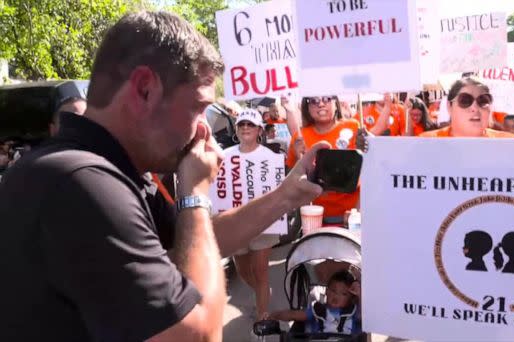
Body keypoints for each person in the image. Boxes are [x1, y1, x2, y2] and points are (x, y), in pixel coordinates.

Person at [0, 11, 326, 342]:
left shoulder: (106, 170)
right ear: (144, 90)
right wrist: (195, 194)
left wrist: (286, 196)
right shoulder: (82, 182)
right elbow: (197, 335)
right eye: (198, 108)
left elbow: (197, 242)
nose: (204, 130)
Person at [228, 108, 280, 321]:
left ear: (259, 130)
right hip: (236, 224)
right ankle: (262, 293)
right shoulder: (225, 156)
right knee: (242, 272)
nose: (246, 128)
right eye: (242, 124)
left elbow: (277, 190)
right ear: (237, 129)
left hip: (262, 224)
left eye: (250, 124)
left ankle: (262, 318)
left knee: (260, 272)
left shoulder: (269, 157)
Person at [286, 95, 360, 226]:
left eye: (326, 99)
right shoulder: (299, 137)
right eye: (314, 100)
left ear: (336, 103)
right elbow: (291, 183)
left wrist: (359, 212)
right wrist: (299, 160)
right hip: (312, 220)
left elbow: (370, 173)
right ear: (307, 107)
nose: (320, 104)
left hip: (351, 220)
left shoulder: (354, 128)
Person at [269, 270, 362, 335]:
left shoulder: (355, 312)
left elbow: (367, 316)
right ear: (326, 291)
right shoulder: (318, 310)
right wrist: (273, 315)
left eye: (344, 294)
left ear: (351, 297)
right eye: (333, 291)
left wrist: (359, 293)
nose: (336, 296)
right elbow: (293, 314)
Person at [419, 78, 514, 138]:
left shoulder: (509, 144)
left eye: (483, 101)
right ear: (449, 107)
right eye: (465, 100)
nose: (475, 108)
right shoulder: (427, 143)